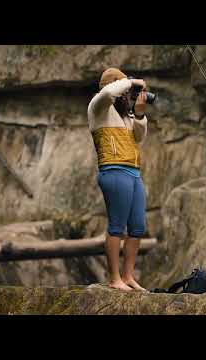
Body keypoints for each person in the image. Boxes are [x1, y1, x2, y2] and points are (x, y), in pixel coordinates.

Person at [87, 68, 149, 291]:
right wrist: (132, 81)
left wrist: (140, 114)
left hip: (133, 172)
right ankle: (114, 279)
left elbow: (138, 138)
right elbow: (107, 94)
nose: (127, 96)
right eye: (125, 91)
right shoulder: (98, 107)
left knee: (137, 227)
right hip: (113, 171)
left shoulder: (126, 115)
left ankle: (128, 276)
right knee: (116, 227)